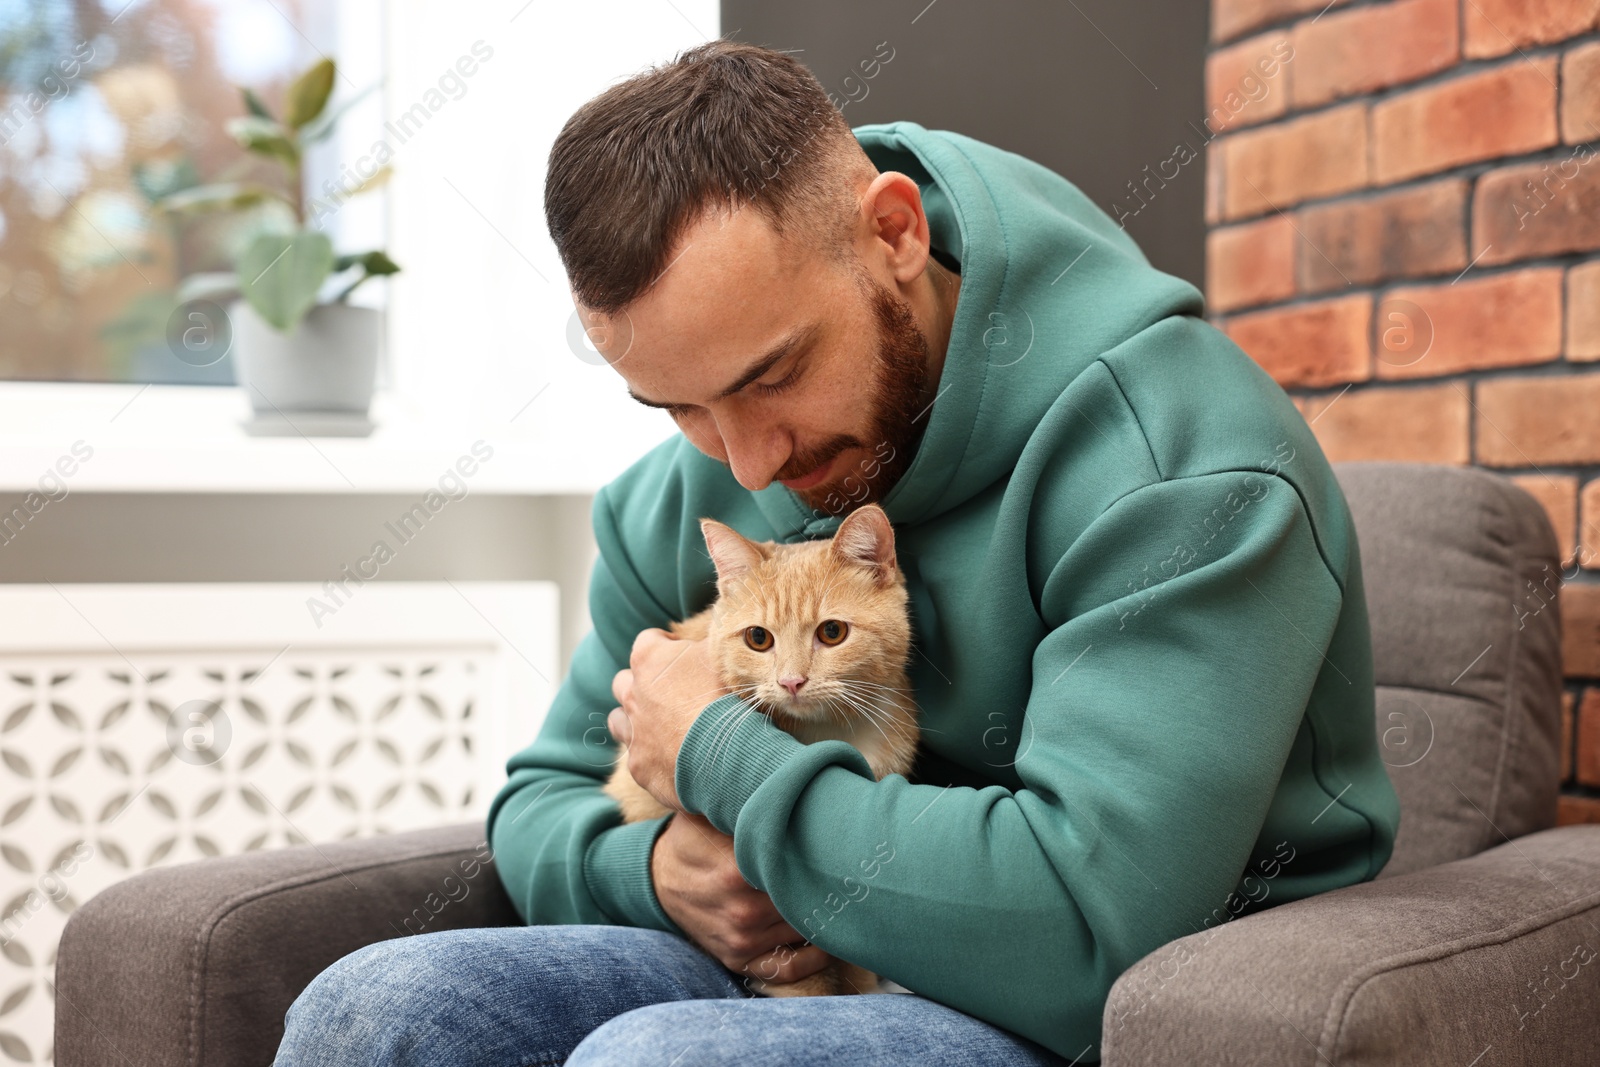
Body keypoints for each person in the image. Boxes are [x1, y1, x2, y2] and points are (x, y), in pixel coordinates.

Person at [274, 38, 1399, 1066]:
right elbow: (542, 799)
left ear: (895, 233)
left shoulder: (1187, 464)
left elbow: (1088, 923)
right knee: (371, 1009)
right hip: (789, 945)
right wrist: (662, 877)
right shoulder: (689, 491)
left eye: (771, 375)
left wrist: (722, 757)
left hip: (1078, 999)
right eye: (677, 405)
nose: (746, 466)